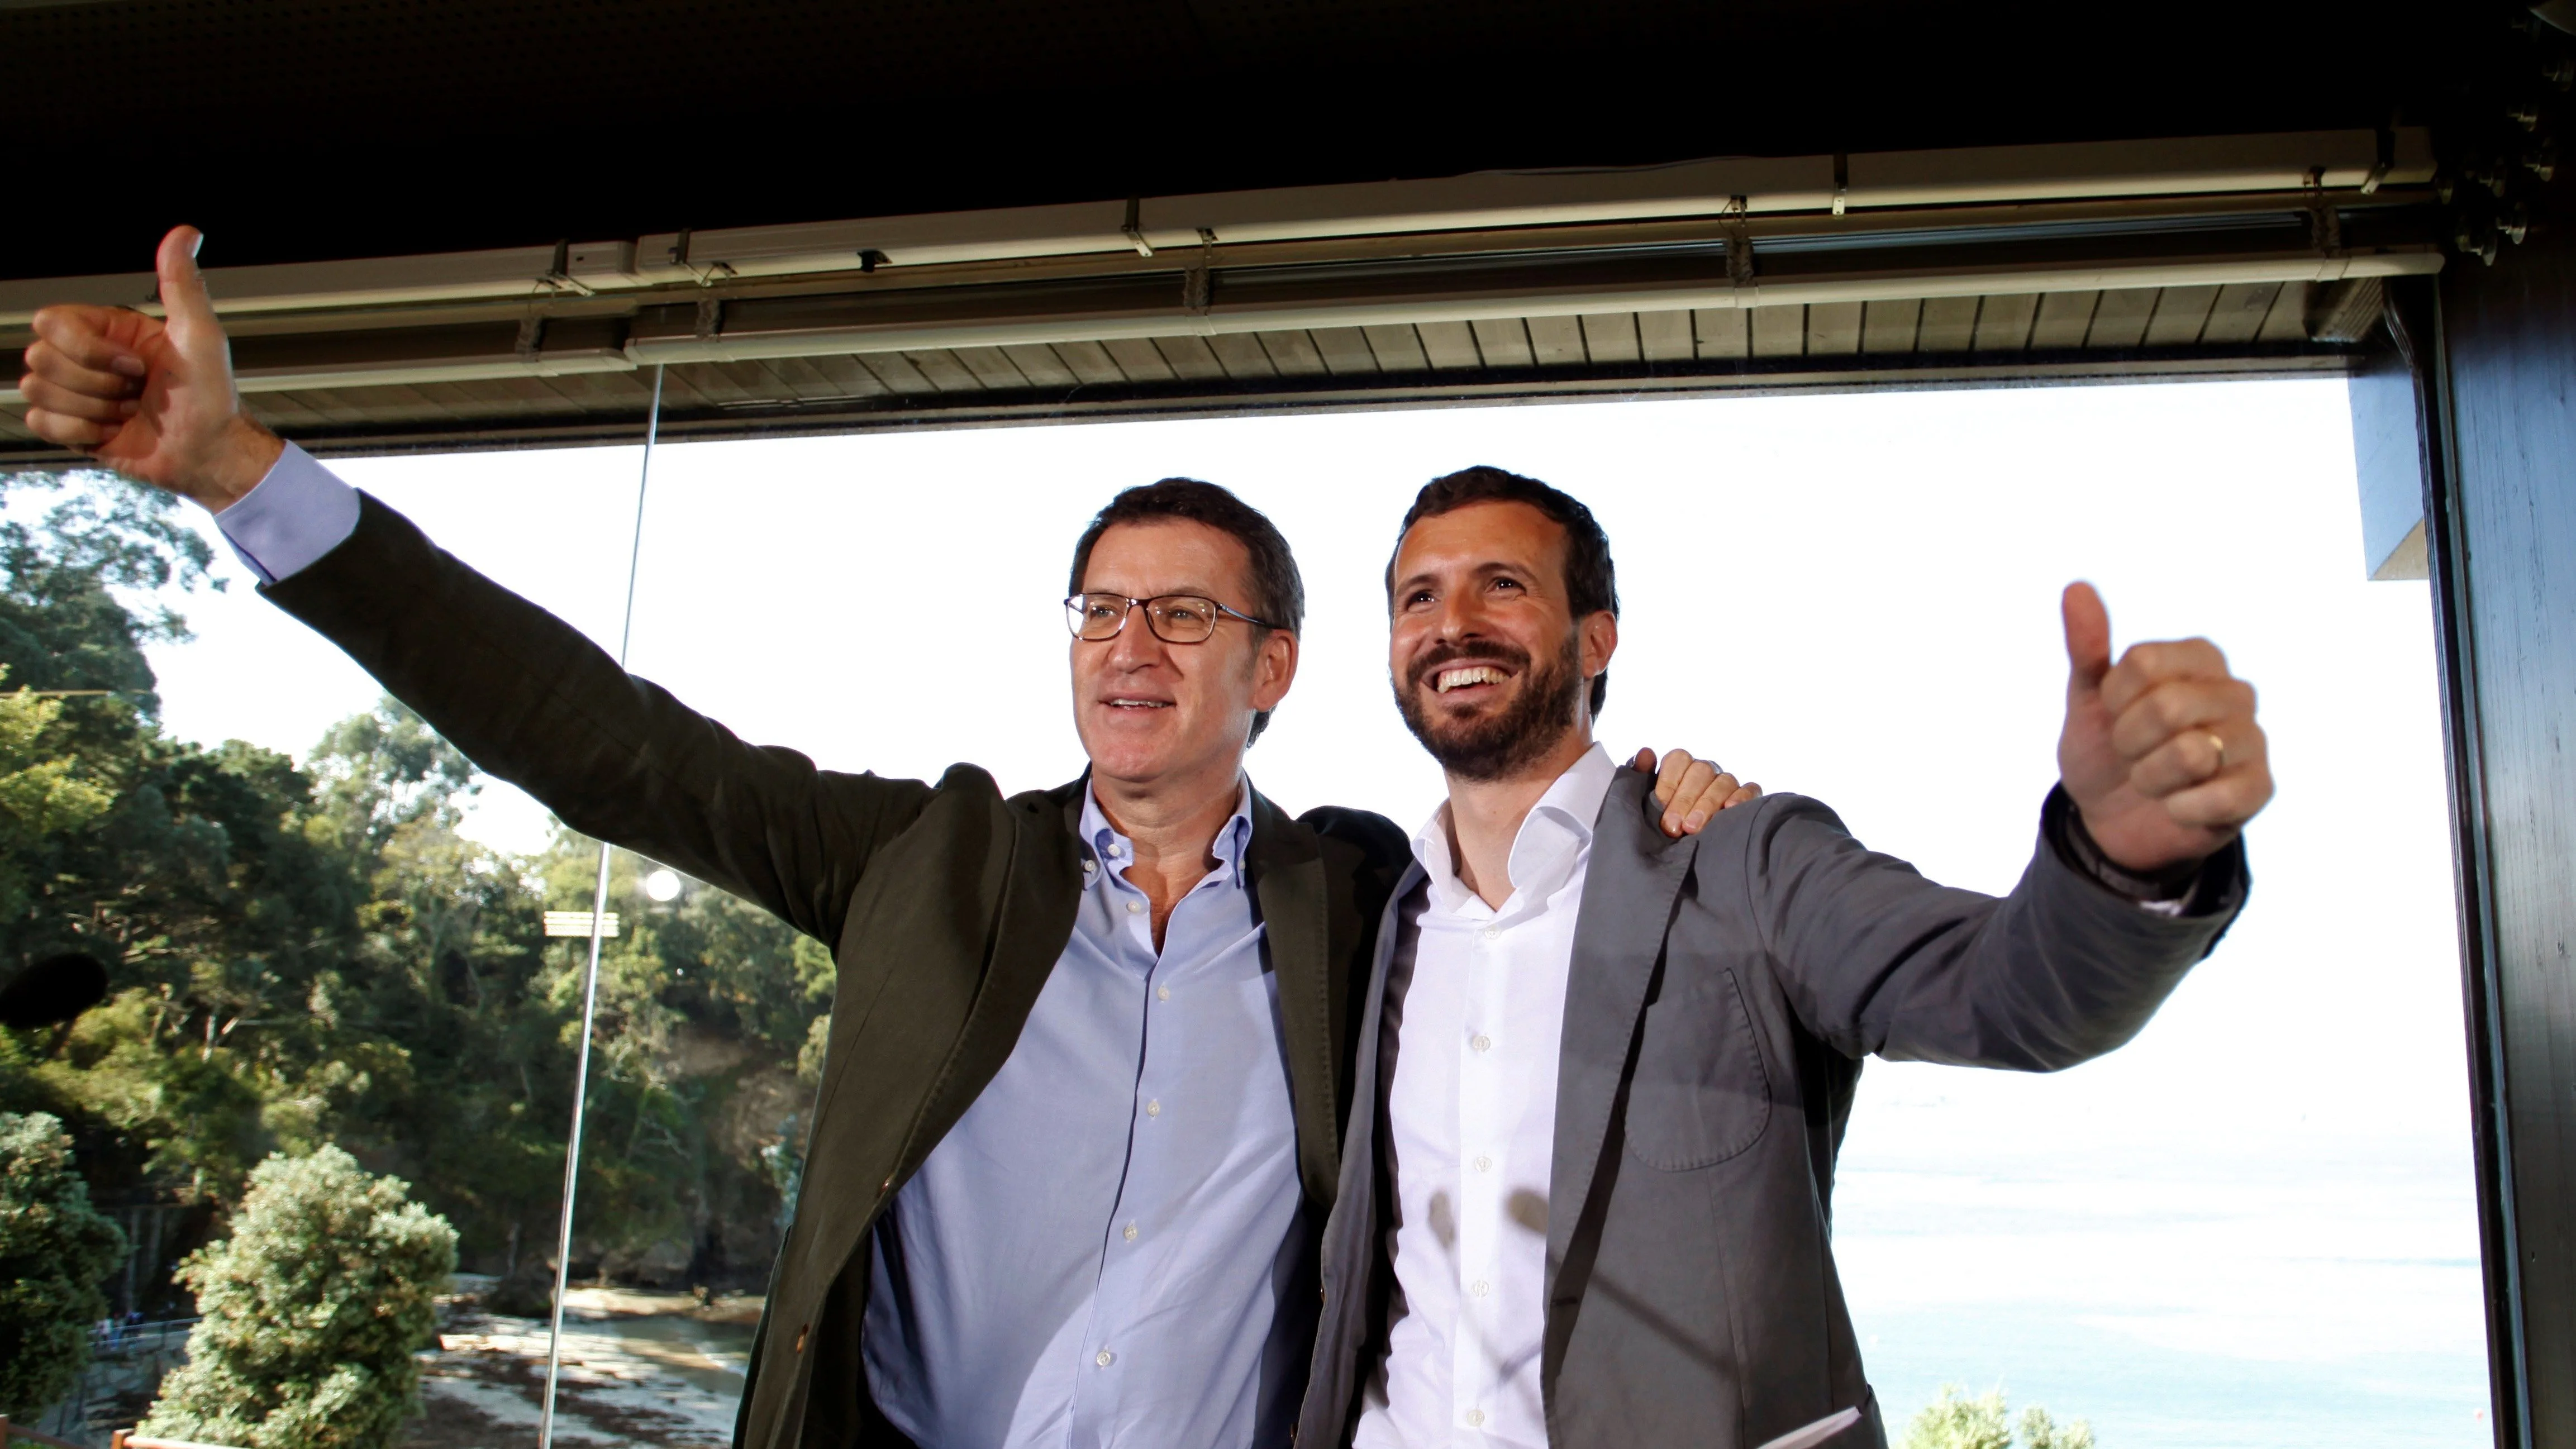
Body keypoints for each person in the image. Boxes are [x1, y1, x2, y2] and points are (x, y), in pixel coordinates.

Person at [14, 228, 1759, 1449]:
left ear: (1274, 665)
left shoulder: (1366, 894)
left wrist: (1671, 808)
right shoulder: (923, 862)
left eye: (1181, 617)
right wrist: (243, 466)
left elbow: (1540, 928)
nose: (1126, 648)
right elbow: (596, 742)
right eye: (1098, 610)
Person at [1297, 467, 2272, 1449]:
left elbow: (2007, 995)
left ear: (1595, 638)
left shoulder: (1743, 860)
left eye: (1500, 584)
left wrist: (2127, 855)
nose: (1452, 622)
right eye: (1419, 595)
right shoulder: (1381, 906)